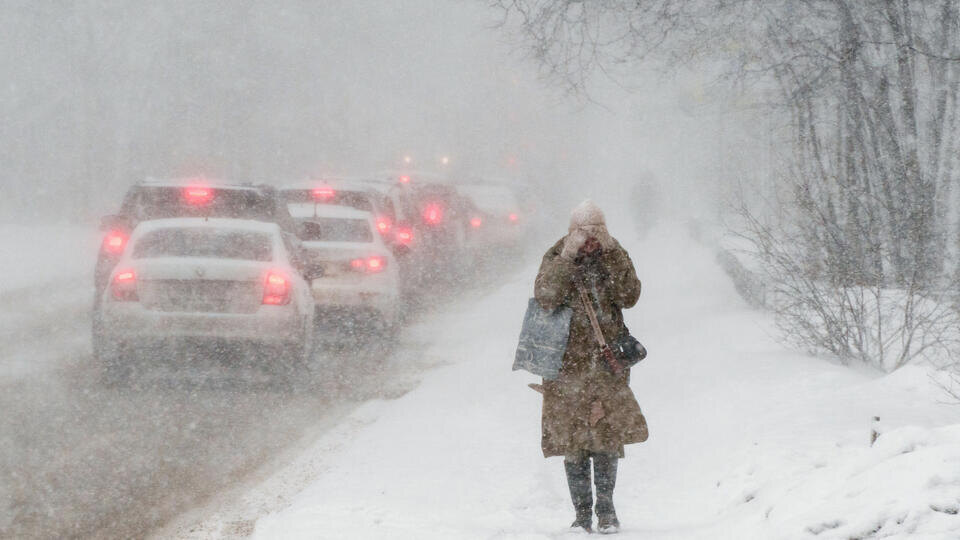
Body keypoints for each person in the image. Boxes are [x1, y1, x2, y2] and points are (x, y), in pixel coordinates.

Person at [534, 200, 646, 534]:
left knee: (606, 438)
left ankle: (607, 511)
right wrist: (569, 257)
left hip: (606, 363)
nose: (590, 242)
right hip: (566, 366)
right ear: (572, 234)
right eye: (585, 235)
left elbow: (630, 295)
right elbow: (546, 296)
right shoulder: (558, 256)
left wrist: (611, 252)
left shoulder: (612, 255)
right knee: (574, 442)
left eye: (597, 234)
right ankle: (582, 515)